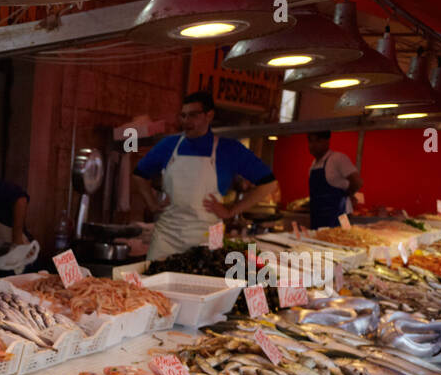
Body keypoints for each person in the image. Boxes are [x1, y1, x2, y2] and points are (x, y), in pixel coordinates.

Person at [132, 91, 278, 260]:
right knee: (153, 282)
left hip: (210, 236)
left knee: (204, 282)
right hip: (167, 235)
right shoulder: (168, 145)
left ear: (209, 115)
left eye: (193, 115)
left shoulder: (228, 149)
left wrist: (231, 211)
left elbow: (268, 183)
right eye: (183, 116)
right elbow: (139, 174)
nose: (186, 121)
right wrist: (152, 204)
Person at [305, 131, 362, 229]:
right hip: (318, 217)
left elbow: (357, 181)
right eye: (310, 141)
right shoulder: (313, 165)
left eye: (318, 141)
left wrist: (349, 194)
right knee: (317, 241)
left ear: (327, 141)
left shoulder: (338, 158)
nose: (313, 145)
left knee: (342, 239)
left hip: (341, 216)